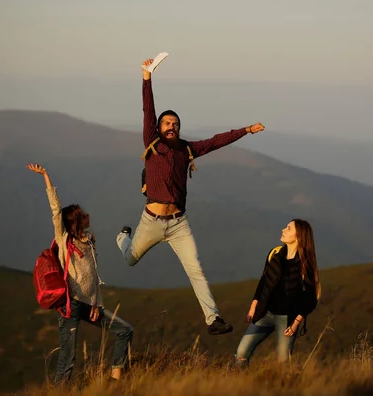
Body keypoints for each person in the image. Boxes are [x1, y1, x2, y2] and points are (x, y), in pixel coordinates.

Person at [116, 58, 265, 335]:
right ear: (159, 128)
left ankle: (213, 320)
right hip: (150, 221)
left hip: (178, 223)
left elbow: (216, 141)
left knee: (196, 270)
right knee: (130, 259)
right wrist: (146, 77)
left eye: (175, 123)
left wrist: (246, 130)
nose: (170, 126)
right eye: (166, 123)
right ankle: (122, 238)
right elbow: (148, 111)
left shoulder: (187, 150)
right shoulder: (153, 144)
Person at [27, 163, 133, 384]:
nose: (87, 216)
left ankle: (115, 382)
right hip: (70, 305)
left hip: (89, 304)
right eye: (82, 215)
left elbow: (93, 278)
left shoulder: (88, 242)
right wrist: (46, 176)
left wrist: (97, 305)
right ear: (74, 221)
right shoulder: (64, 241)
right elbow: (56, 211)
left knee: (124, 330)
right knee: (68, 358)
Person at [235, 219, 321, 366]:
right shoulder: (274, 253)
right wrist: (254, 305)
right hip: (265, 313)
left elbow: (311, 298)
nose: (283, 230)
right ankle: (241, 386)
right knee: (241, 355)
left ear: (298, 236)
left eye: (288, 228)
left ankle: (284, 388)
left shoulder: (305, 263)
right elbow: (264, 281)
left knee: (283, 364)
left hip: (287, 320)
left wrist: (295, 324)